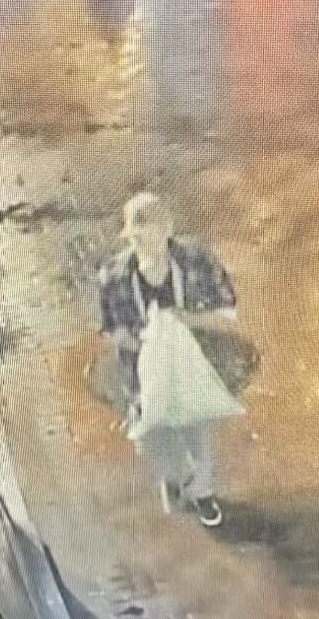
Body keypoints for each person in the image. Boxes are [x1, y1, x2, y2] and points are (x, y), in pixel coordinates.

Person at [99, 194, 244, 528]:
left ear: (167, 230)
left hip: (196, 364)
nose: (142, 244)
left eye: (148, 234)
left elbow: (226, 314)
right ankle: (178, 478)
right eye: (135, 237)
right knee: (152, 433)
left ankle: (202, 494)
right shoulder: (115, 276)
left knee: (199, 426)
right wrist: (141, 343)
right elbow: (111, 330)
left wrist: (185, 320)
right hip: (144, 372)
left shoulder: (196, 261)